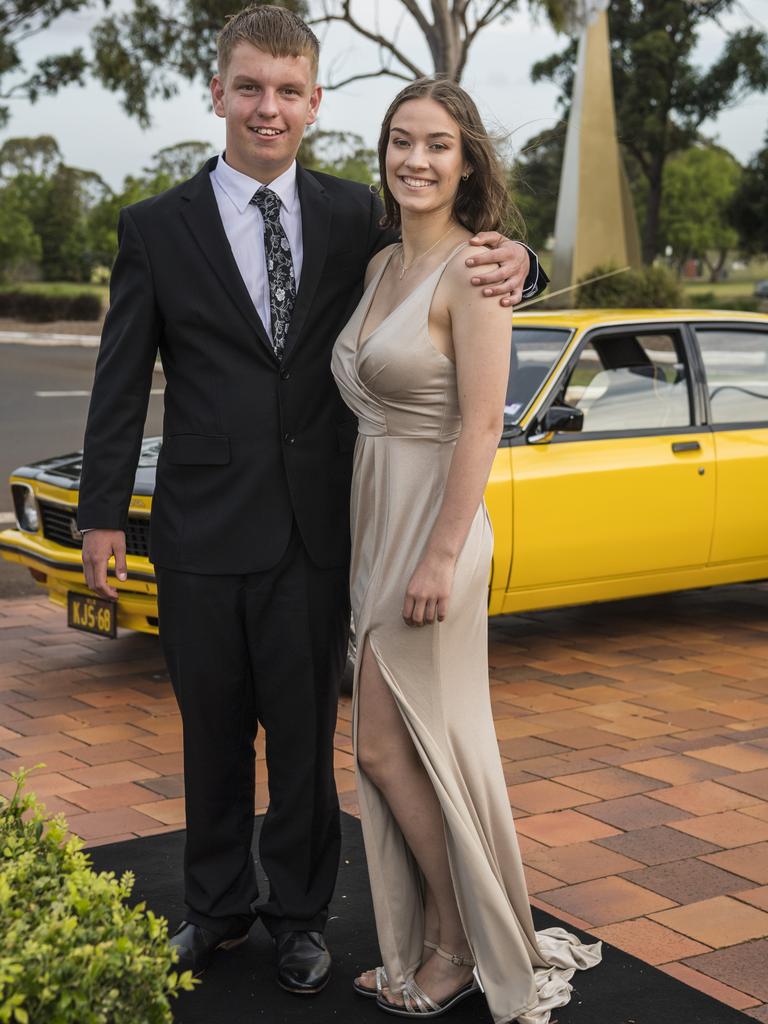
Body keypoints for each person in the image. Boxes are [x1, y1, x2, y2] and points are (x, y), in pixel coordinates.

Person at [77, 5, 547, 998]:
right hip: (201, 532)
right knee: (209, 734)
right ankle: (215, 910)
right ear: (218, 93)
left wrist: (528, 263)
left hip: (324, 532)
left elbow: (456, 252)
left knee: (306, 742)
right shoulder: (155, 229)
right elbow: (120, 380)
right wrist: (103, 514)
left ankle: (299, 917)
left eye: (289, 91)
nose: (267, 107)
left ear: (315, 102)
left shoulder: (352, 216)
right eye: (249, 86)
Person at [331, 78, 601, 1021]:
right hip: (377, 518)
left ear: (466, 159)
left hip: (435, 528)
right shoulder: (379, 269)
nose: (416, 159)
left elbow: (484, 424)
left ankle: (454, 945)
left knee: (389, 744)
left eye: (437, 145)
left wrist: (442, 556)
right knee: (397, 746)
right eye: (402, 141)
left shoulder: (478, 273)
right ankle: (453, 935)